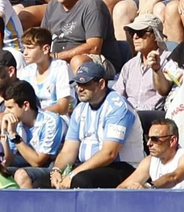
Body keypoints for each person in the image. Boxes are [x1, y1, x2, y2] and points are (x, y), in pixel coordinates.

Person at [49, 61, 143, 189]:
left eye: (85, 84)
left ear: (101, 84)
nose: (79, 89)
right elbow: (68, 150)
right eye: (78, 84)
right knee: (43, 183)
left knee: (80, 181)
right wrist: (57, 171)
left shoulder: (118, 107)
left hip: (122, 167)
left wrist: (72, 175)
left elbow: (109, 154)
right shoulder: (79, 109)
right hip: (87, 167)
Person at [119, 116, 184, 190]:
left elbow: (174, 177)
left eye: (155, 139)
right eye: (148, 138)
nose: (148, 143)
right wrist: (131, 188)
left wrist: (148, 187)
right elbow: (122, 188)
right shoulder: (150, 161)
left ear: (172, 140)